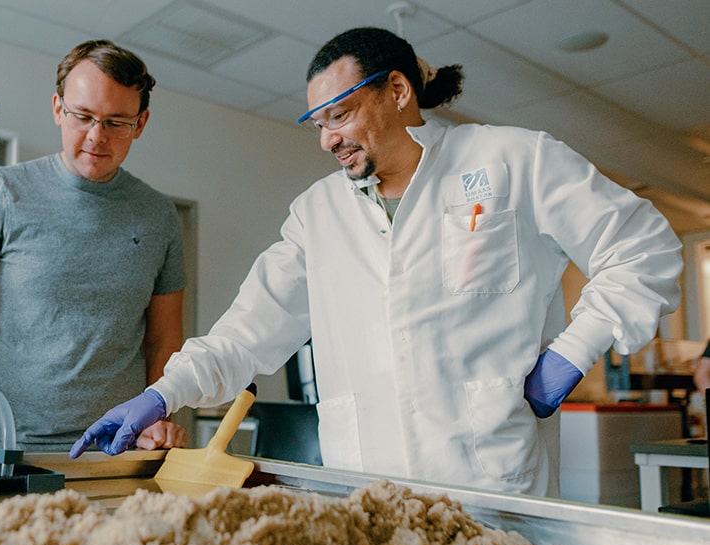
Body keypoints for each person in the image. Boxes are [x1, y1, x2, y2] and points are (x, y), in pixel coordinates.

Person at [70, 27, 683, 496]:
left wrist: (570, 356)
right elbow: (243, 338)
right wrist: (161, 394)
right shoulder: (317, 214)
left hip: (492, 487)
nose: (327, 139)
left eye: (338, 114)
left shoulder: (512, 161)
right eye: (317, 123)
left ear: (397, 90)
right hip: (365, 492)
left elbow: (644, 249)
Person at [0, 40, 187, 455]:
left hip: (115, 451)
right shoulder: (1, 194)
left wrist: (158, 417)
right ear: (58, 108)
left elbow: (162, 337)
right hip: (3, 451)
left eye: (117, 122)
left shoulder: (158, 216)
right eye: (83, 116)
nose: (97, 136)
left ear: (141, 122)